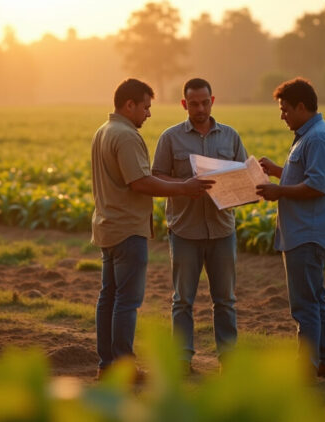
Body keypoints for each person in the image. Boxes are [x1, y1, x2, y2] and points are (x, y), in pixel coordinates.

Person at [90, 78, 214, 380]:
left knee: (108, 297)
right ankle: (123, 367)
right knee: (126, 302)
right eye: (145, 107)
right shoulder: (127, 136)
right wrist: (184, 188)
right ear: (129, 104)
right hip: (128, 229)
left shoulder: (103, 131)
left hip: (106, 226)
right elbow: (140, 182)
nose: (148, 114)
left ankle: (107, 364)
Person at [151, 78, 246, 372]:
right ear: (184, 104)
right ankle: (182, 360)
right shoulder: (170, 138)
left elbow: (244, 176)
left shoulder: (230, 137)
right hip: (184, 230)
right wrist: (184, 185)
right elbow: (157, 177)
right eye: (194, 104)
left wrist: (243, 189)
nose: (200, 108)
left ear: (212, 100)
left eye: (205, 102)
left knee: (226, 300)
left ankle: (229, 360)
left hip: (222, 229)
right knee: (182, 300)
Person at [256, 77, 325, 379]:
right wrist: (278, 172)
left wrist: (279, 190)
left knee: (304, 306)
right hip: (306, 231)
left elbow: (317, 186)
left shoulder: (317, 137)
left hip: (307, 233)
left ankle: (306, 369)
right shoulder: (311, 134)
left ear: (302, 107)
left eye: (285, 110)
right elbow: (306, 175)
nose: (282, 116)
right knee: (315, 299)